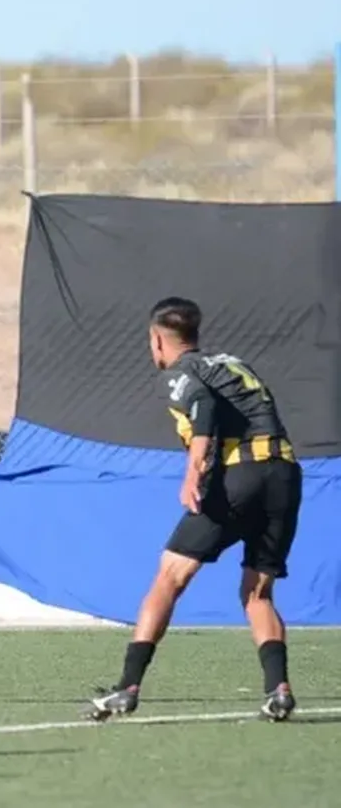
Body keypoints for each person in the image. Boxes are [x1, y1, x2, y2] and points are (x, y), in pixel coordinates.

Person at [85, 297, 302, 723]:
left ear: (156, 340)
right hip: (286, 476)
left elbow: (202, 407)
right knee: (257, 591)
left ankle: (127, 686)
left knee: (169, 576)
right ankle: (278, 690)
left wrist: (193, 472)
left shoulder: (180, 372)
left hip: (242, 477)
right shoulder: (231, 363)